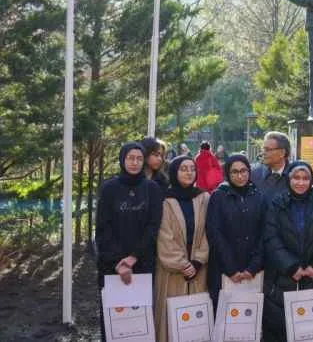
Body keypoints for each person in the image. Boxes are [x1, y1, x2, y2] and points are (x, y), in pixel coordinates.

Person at [95, 142, 164, 340]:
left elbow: (153, 227)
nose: (134, 163)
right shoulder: (109, 189)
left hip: (142, 264)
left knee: (139, 324)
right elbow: (102, 229)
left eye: (139, 159)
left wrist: (134, 257)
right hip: (112, 266)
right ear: (122, 159)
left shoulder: (152, 189)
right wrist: (120, 262)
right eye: (130, 158)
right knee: (114, 324)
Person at [262, 161, 313, 342]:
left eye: (305, 178)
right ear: (288, 179)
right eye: (296, 178)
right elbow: (271, 238)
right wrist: (291, 266)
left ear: (311, 181)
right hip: (284, 277)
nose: (300, 182)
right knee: (283, 328)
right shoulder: (277, 204)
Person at [154, 156, 210, 342]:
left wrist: (197, 261)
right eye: (183, 169)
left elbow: (207, 233)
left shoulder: (203, 198)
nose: (189, 172)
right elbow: (164, 236)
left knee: (196, 321)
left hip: (198, 268)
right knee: (171, 322)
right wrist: (182, 264)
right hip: (172, 272)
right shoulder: (164, 200)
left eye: (192, 169)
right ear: (174, 171)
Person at [205, 154, 266, 307]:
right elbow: (214, 233)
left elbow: (265, 233)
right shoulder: (218, 196)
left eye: (244, 171)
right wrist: (230, 268)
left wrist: (253, 267)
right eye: (235, 172)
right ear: (228, 173)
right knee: (225, 317)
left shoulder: (259, 196)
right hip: (224, 270)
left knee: (250, 316)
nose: (240, 176)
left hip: (253, 270)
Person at [251, 131, 292, 203]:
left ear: (282, 153)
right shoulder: (254, 174)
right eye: (263, 149)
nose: (263, 153)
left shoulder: (297, 176)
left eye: (267, 150)